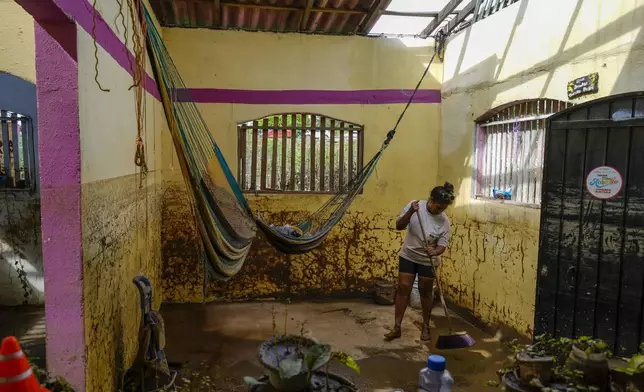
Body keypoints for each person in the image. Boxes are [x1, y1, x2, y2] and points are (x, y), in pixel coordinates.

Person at [385, 182, 455, 342]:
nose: (440, 210)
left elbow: (442, 245)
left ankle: (425, 326)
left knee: (425, 292)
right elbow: (399, 226)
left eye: (443, 208)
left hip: (427, 260)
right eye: (438, 206)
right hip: (409, 255)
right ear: (430, 200)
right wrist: (410, 212)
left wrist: (435, 251)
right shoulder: (415, 206)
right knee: (403, 289)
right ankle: (396, 327)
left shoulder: (444, 221)